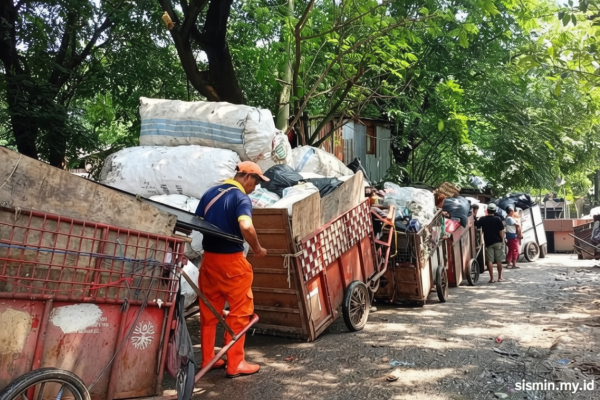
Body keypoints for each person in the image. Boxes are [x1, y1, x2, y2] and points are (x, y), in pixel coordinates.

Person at [194, 161, 268, 378]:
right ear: (247, 177)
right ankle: (235, 363)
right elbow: (245, 225)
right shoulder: (240, 198)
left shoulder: (210, 193)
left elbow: (197, 222)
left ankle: (208, 359)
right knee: (240, 313)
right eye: (256, 182)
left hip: (208, 262)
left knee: (209, 312)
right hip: (232, 264)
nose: (254, 188)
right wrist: (257, 248)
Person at [475, 203, 505, 283]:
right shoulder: (498, 219)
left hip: (488, 242)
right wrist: (502, 240)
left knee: (489, 261)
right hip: (497, 242)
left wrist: (474, 215)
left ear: (487, 210)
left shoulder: (482, 219)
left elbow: (477, 226)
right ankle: (500, 277)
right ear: (494, 211)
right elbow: (501, 231)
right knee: (499, 260)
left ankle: (492, 279)